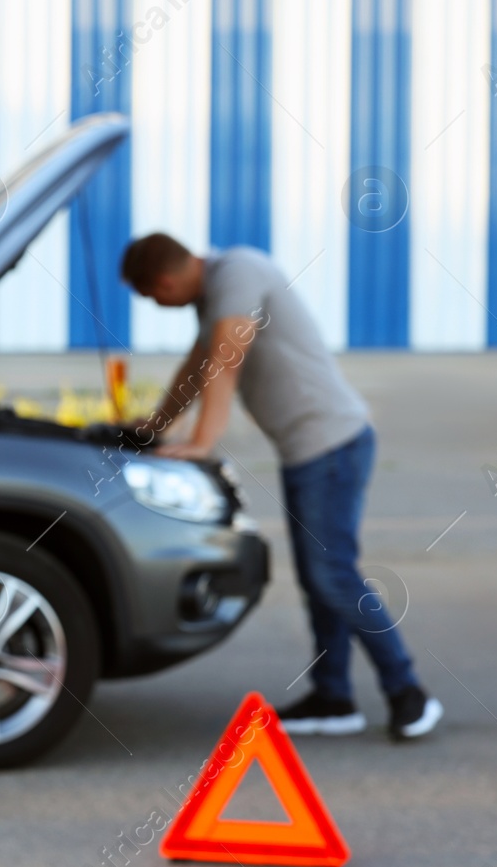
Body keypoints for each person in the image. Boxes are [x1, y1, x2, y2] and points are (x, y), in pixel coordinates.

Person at [118, 233, 441, 741]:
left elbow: (226, 358)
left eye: (153, 298)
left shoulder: (238, 271)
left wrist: (203, 440)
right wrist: (158, 424)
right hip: (309, 451)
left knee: (332, 575)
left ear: (164, 281)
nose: (159, 306)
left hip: (333, 446)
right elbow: (197, 368)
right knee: (321, 578)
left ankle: (408, 692)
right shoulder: (213, 295)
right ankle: (334, 698)